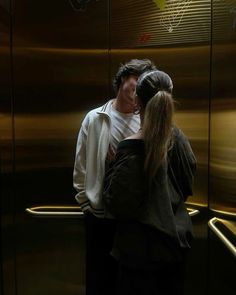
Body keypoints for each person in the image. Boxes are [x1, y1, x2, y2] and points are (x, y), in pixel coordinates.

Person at [103, 70, 197, 295]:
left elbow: (117, 204)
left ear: (137, 102)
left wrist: (112, 167)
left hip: (139, 257)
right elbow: (187, 184)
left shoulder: (131, 148)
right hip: (175, 248)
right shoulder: (180, 141)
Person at [73, 59, 156, 295]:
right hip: (100, 217)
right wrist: (86, 204)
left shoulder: (148, 122)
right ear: (123, 78)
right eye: (136, 79)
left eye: (144, 83)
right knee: (99, 281)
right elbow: (81, 164)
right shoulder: (96, 118)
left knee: (130, 284)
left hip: (135, 220)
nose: (138, 87)